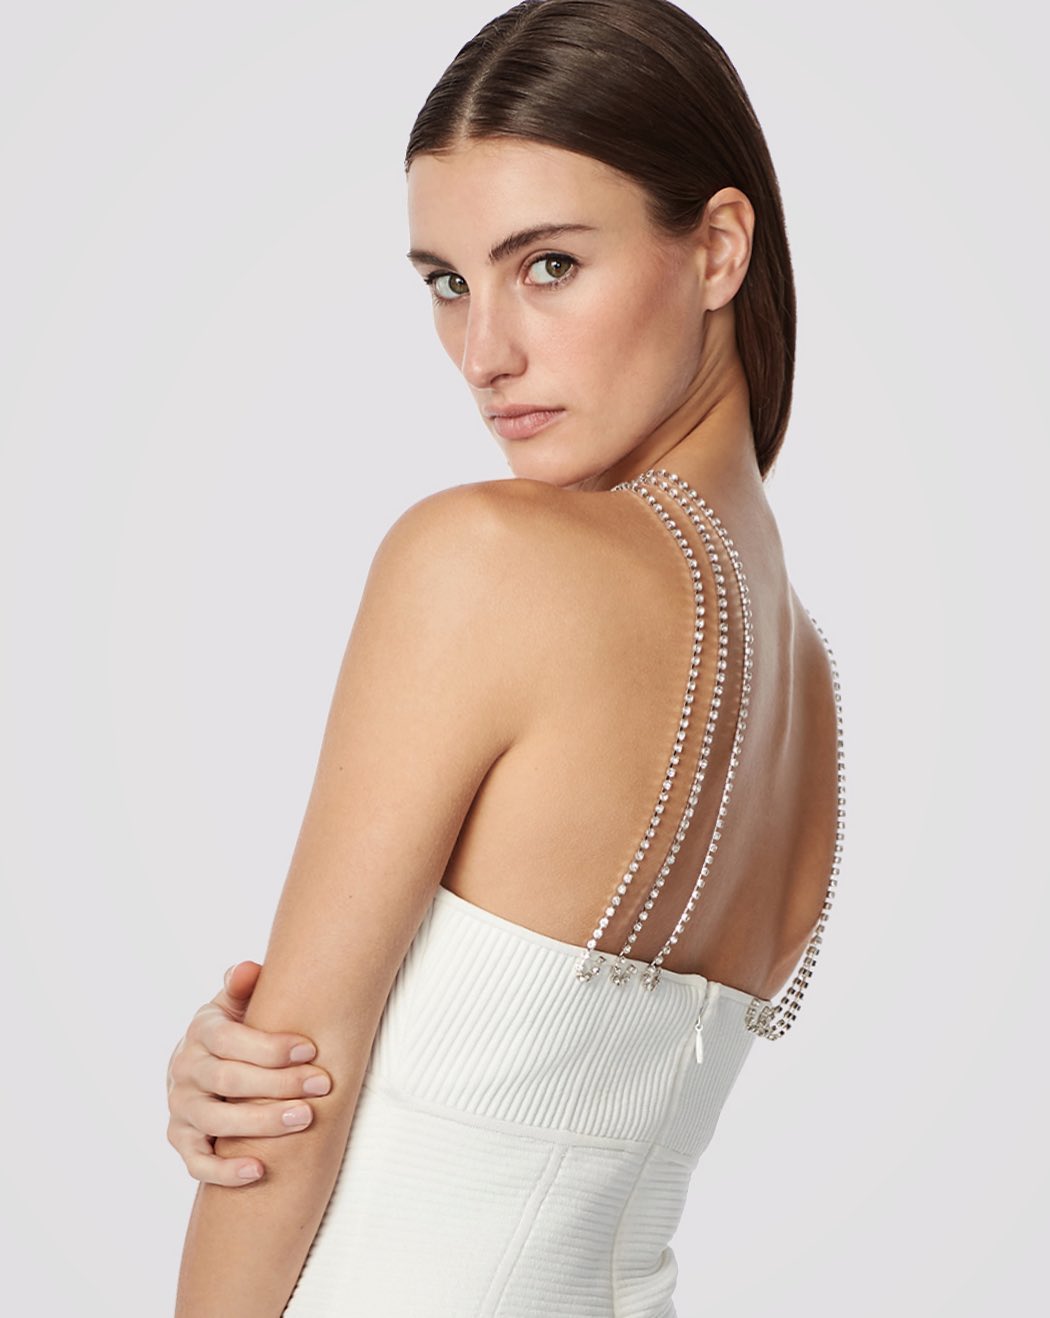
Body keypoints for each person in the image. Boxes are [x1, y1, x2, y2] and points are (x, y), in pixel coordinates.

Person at [170, 0, 847, 1313]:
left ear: (717, 248)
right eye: (447, 282)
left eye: (548, 265)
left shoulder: (486, 557)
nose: (484, 353)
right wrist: (241, 1069)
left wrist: (258, 1088)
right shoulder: (807, 680)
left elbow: (282, 1118)